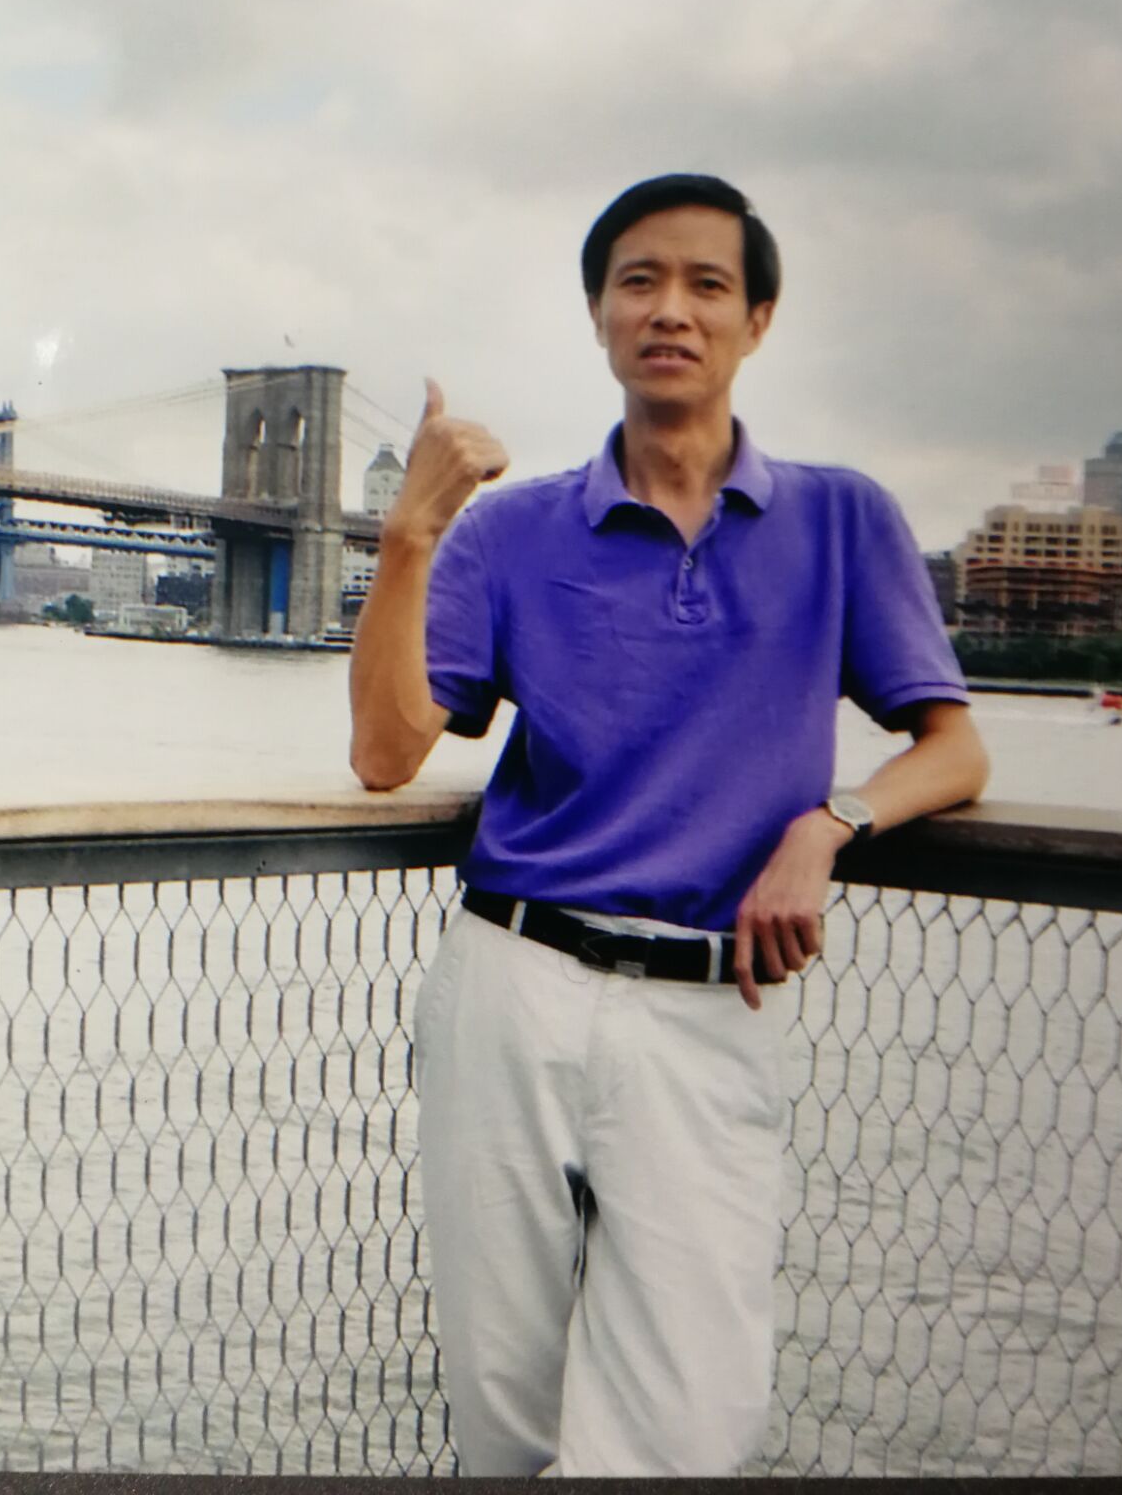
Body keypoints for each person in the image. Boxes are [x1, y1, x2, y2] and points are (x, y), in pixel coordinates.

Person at [349, 173, 988, 1477]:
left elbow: (955, 749)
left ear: (759, 319)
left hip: (711, 1004)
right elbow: (385, 753)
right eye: (638, 282)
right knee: (505, 1405)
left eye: (707, 284)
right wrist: (412, 533)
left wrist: (829, 825)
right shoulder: (511, 532)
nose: (671, 310)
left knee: (692, 1417)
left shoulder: (843, 518)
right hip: (513, 980)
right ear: (598, 314)